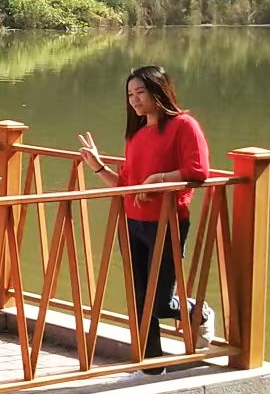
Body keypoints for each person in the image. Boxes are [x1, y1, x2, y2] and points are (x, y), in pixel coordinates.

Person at [78, 64, 214, 371]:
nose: (134, 100)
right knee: (139, 299)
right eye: (129, 94)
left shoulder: (184, 125)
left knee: (161, 301)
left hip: (166, 223)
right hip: (132, 223)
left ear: (159, 90)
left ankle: (198, 312)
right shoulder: (137, 135)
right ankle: (151, 367)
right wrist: (98, 166)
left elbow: (198, 171)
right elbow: (127, 187)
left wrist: (157, 180)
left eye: (140, 92)